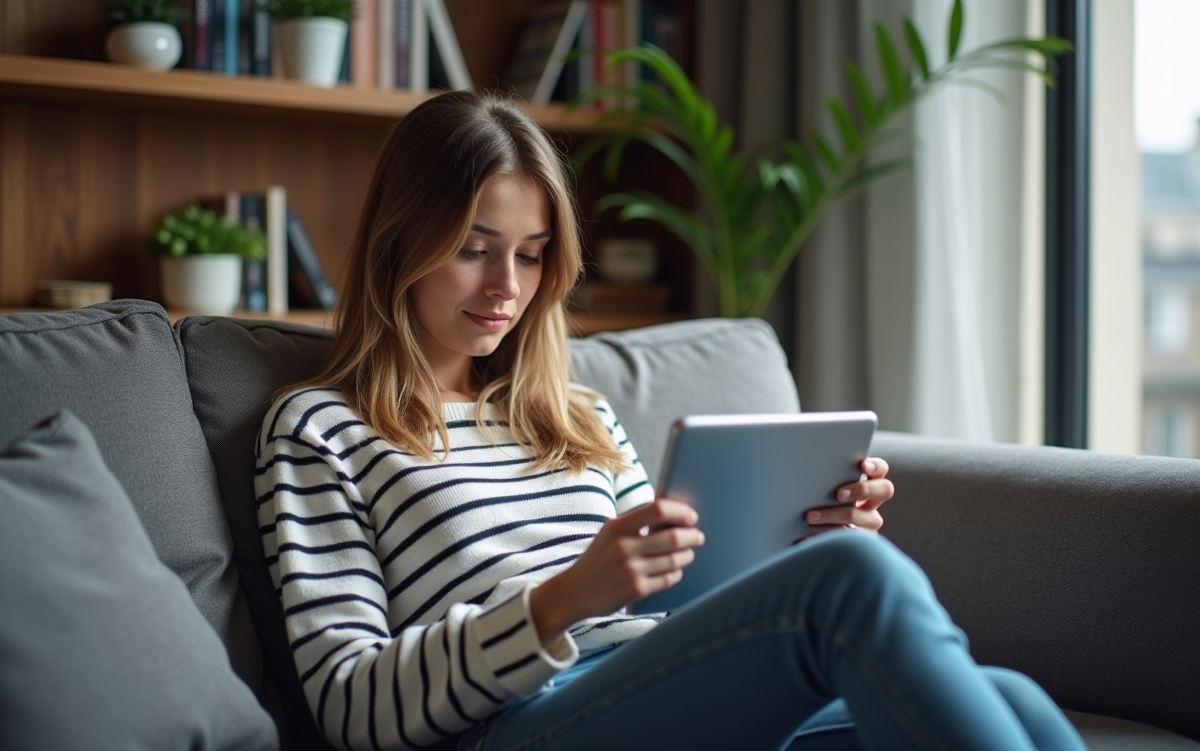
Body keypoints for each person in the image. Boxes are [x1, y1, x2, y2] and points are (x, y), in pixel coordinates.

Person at [254, 89, 1087, 751]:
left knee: (1005, 693)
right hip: (515, 723)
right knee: (852, 586)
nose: (507, 285)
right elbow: (348, 707)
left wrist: (801, 538)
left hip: (659, 689)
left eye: (532, 252)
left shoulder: (578, 417)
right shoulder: (321, 430)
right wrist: (563, 601)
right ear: (399, 244)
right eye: (474, 248)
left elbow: (684, 611)